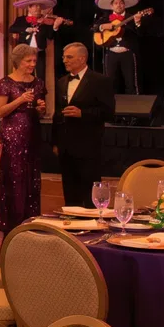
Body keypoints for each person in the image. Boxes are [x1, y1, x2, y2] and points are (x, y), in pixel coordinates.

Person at [54, 43, 114, 209]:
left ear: (82, 59)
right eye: (64, 57)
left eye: (69, 57)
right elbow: (57, 114)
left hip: (89, 144)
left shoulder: (100, 81)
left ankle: (91, 227)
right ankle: (72, 225)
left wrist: (83, 113)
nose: (65, 60)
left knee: (90, 190)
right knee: (69, 189)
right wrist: (55, 142)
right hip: (66, 145)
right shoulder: (61, 82)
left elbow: (109, 113)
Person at [0, 45, 46, 231]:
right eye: (28, 61)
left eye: (34, 61)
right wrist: (20, 100)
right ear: (17, 61)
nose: (32, 64)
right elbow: (0, 111)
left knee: (31, 178)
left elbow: (39, 112)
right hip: (12, 136)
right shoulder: (5, 82)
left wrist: (41, 109)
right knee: (13, 178)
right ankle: (12, 225)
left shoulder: (38, 83)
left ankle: (30, 224)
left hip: (32, 135)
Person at [90, 0, 147, 94]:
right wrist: (103, 26)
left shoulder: (131, 17)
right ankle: (110, 108)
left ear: (124, 5)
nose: (119, 5)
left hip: (128, 53)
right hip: (111, 53)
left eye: (121, 3)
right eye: (116, 3)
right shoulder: (105, 18)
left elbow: (140, 33)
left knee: (131, 83)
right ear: (112, 6)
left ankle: (133, 108)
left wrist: (138, 23)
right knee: (110, 82)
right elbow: (94, 28)